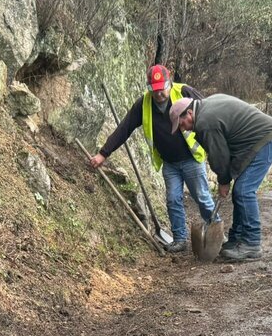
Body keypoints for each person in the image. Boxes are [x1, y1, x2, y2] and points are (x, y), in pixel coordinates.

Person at [88, 65, 219, 253]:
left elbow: (209, 111)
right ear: (149, 88)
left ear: (169, 82)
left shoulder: (183, 92)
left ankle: (217, 233)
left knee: (203, 198)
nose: (159, 94)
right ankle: (180, 239)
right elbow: (124, 129)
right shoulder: (144, 104)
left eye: (162, 88)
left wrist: (217, 146)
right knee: (173, 199)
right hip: (169, 163)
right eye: (154, 90)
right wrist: (103, 153)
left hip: (191, 158)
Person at [169, 95, 272, 261]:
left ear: (189, 113)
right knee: (240, 191)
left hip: (265, 140)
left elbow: (220, 156)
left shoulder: (206, 122)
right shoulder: (206, 107)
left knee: (244, 191)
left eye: (182, 124)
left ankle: (251, 243)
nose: (184, 129)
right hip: (252, 143)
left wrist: (224, 180)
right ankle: (236, 239)